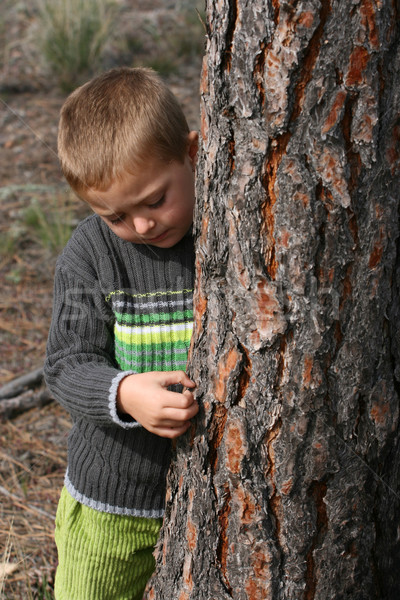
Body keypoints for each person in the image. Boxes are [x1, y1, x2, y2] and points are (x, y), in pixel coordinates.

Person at [44, 66, 199, 600]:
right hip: (114, 499)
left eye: (155, 200)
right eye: (116, 216)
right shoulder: (92, 253)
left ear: (195, 153)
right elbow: (66, 362)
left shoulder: (230, 233)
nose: (141, 227)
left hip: (209, 497)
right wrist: (125, 391)